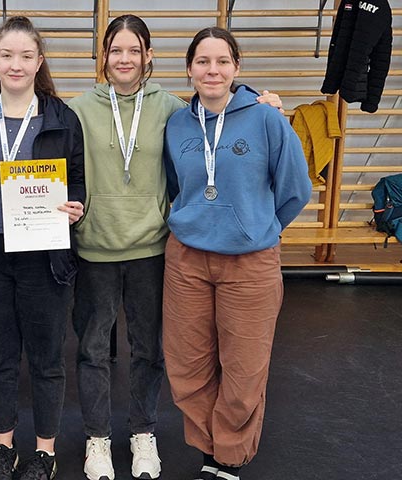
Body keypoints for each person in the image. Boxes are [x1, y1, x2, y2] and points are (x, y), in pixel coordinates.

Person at [0, 15, 282, 480]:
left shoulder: (173, 109)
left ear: (148, 56)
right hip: (95, 248)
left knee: (148, 350)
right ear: (104, 56)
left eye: (134, 50)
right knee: (92, 349)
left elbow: (219, 102)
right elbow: (55, 158)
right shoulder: (74, 111)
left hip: (152, 249)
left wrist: (257, 98)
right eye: (116, 50)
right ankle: (97, 438)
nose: (125, 59)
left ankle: (142, 433)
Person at [162, 27, 312, 480]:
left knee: (244, 369)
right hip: (187, 260)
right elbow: (176, 186)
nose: (213, 70)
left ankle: (228, 457)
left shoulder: (266, 118)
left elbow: (295, 189)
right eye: (203, 61)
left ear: (237, 68)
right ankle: (208, 450)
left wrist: (258, 227)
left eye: (222, 61)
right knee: (187, 365)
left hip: (250, 262)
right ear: (189, 69)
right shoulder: (177, 124)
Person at [0, 16, 85, 480]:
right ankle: (4, 446)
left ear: (39, 61)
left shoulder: (62, 117)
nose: (16, 64)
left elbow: (78, 182)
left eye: (26, 56)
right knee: (0, 358)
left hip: (43, 251)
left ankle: (45, 451)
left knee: (47, 357)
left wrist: (76, 207)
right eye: (7, 55)